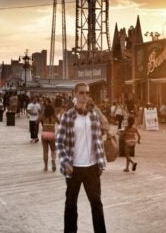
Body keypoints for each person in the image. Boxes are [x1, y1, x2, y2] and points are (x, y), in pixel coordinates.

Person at [56, 81, 108, 233]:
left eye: (87, 93)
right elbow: (59, 141)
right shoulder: (67, 116)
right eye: (81, 93)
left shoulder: (93, 115)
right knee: (71, 204)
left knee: (97, 203)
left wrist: (100, 163)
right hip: (74, 168)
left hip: (92, 167)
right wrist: (65, 162)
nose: (84, 96)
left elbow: (98, 140)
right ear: (75, 94)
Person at [41, 102, 58, 172]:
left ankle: (45, 166)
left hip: (44, 133)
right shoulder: (54, 116)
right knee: (53, 150)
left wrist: (43, 123)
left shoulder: (43, 115)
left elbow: (36, 122)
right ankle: (53, 161)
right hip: (52, 134)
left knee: (45, 151)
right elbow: (60, 122)